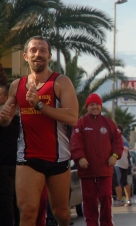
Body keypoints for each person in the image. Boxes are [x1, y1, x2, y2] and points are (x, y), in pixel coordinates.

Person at [0, 36, 78, 226]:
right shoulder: (16, 86)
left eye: (43, 50)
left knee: (61, 213)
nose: (38, 54)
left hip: (57, 157)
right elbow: (6, 119)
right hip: (28, 157)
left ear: (49, 56)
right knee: (27, 211)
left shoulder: (61, 82)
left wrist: (40, 105)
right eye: (34, 50)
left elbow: (72, 118)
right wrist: (4, 117)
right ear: (26, 56)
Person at [70, 93, 123, 226]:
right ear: (87, 107)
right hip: (87, 171)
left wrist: (115, 156)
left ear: (101, 106)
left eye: (97, 104)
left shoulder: (108, 123)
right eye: (91, 105)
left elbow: (118, 141)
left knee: (106, 197)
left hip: (105, 169)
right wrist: (80, 157)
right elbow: (75, 143)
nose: (94, 107)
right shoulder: (81, 123)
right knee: (89, 201)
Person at [0, 84, 20, 225]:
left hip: (9, 165)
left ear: (7, 98)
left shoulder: (15, 119)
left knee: (8, 201)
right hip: (10, 165)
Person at [113, 125, 133, 207]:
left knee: (117, 182)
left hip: (117, 163)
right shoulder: (125, 139)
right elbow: (128, 154)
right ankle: (128, 200)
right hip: (125, 163)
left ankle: (120, 200)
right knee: (124, 182)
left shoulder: (115, 138)